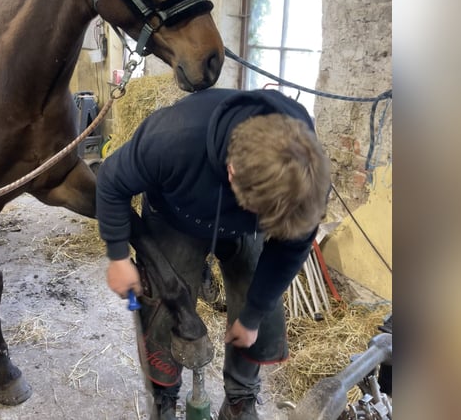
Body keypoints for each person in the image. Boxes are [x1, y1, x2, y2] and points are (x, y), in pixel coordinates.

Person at [96, 88, 331, 420]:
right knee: (163, 300)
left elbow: (291, 247)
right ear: (232, 171)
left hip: (242, 223)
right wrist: (118, 255)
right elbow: (110, 180)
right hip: (176, 212)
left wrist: (251, 316)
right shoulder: (171, 138)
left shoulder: (305, 175)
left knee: (263, 307)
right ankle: (165, 395)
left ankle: (240, 399)